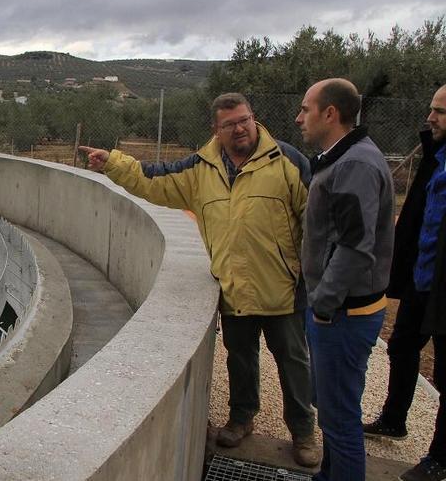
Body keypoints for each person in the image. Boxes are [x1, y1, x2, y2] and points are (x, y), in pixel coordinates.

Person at [82, 92, 319, 467]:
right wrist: (113, 163)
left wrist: (312, 271)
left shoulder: (288, 161)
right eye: (230, 124)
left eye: (245, 119)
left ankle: (304, 433)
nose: (240, 128)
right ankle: (241, 420)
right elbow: (153, 180)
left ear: (253, 118)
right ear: (216, 130)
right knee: (240, 359)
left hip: (284, 289)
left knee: (293, 361)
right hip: (235, 288)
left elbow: (315, 218)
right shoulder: (199, 169)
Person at [296, 78, 395, 481]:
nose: (299, 117)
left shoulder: (354, 164)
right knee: (334, 411)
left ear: (330, 114)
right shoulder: (343, 157)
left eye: (306, 109)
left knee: (340, 421)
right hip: (337, 310)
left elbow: (355, 247)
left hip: (342, 314)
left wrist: (323, 304)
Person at [363, 84, 446, 481]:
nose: (430, 118)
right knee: (401, 344)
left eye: (440, 112)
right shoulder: (437, 157)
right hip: (421, 276)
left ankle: (440, 458)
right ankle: (394, 419)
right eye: (432, 109)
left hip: (442, 286)